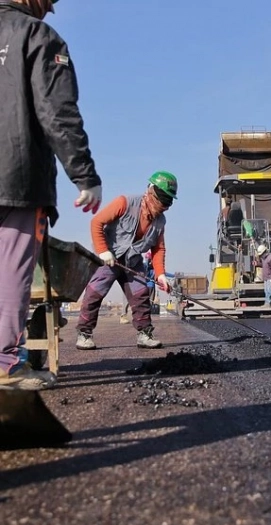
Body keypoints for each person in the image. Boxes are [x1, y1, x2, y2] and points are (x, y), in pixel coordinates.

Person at [0, 0, 103, 391]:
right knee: (10, 270)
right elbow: (57, 111)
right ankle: (5, 364)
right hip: (15, 178)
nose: (49, 11)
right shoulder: (37, 35)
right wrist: (84, 175)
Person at [75, 171, 177, 350]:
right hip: (109, 258)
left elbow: (158, 249)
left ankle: (144, 335)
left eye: (167, 202)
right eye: (162, 200)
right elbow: (96, 222)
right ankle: (84, 334)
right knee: (94, 293)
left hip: (133, 262)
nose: (163, 206)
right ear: (150, 191)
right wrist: (103, 251)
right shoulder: (125, 203)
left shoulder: (160, 221)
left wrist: (160, 275)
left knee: (141, 295)